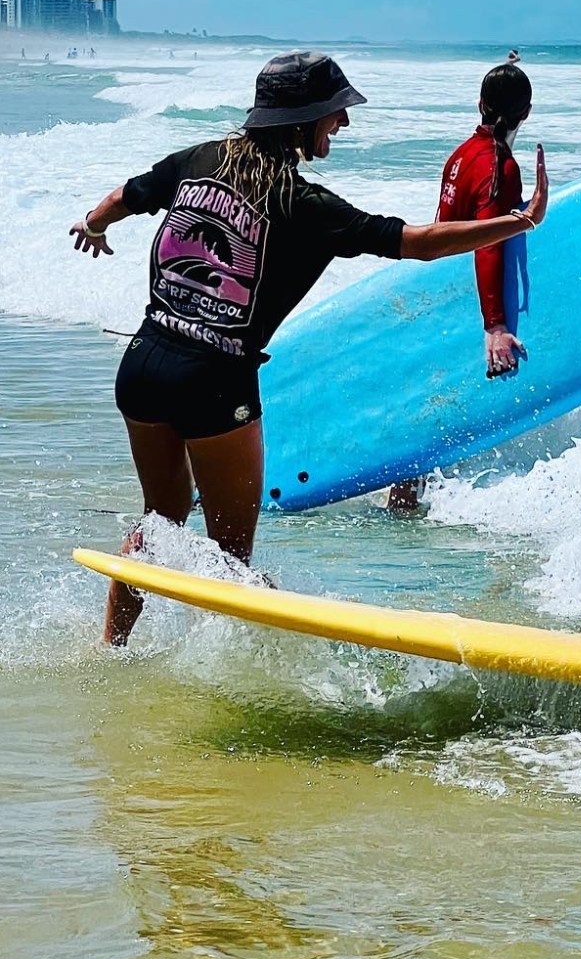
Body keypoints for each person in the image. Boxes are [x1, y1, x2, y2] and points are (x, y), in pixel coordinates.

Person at [71, 51, 549, 644]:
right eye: (333, 113)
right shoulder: (306, 206)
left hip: (143, 363)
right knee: (230, 558)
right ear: (301, 121)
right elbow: (418, 243)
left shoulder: (198, 159)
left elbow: (127, 195)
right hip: (213, 382)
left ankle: (111, 650)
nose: (341, 125)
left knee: (161, 519)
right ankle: (222, 683)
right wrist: (521, 221)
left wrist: (94, 225)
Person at [385, 60, 535, 511]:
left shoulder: (462, 154)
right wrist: (496, 325)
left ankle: (402, 504)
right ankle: (405, 513)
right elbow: (487, 244)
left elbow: (446, 230)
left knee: (435, 406)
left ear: (480, 105)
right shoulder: (498, 168)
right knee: (441, 413)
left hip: (444, 292)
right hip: (468, 302)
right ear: (526, 113)